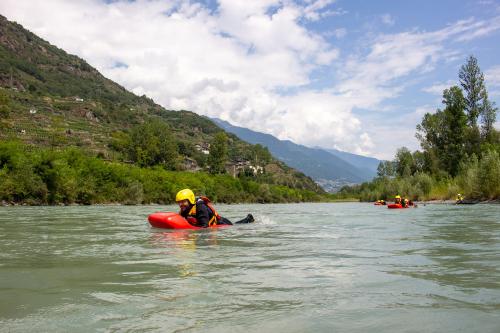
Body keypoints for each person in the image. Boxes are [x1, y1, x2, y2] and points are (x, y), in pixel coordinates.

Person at [175, 189, 254, 228]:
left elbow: (204, 227)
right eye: (179, 202)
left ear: (190, 200)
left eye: (183, 202)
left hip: (222, 223)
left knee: (237, 226)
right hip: (218, 222)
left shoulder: (200, 207)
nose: (180, 204)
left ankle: (248, 219)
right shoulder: (185, 209)